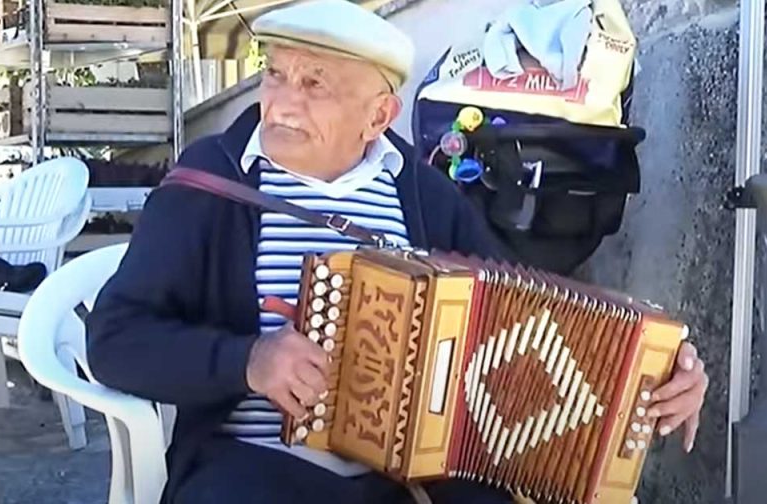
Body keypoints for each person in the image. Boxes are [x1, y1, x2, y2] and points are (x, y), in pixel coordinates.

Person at [85, 1, 709, 503]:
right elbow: (115, 339)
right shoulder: (211, 184)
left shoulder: (423, 193)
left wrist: (654, 372)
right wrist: (248, 361)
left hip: (406, 481)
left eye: (315, 84)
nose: (282, 101)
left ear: (379, 115)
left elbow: (530, 325)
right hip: (253, 466)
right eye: (275, 74)